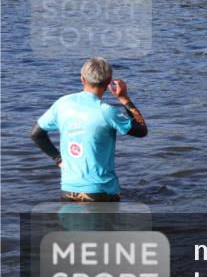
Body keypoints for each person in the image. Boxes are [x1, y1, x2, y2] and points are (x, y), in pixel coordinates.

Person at [31, 57, 149, 202]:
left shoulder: (62, 104)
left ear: (83, 79)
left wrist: (58, 159)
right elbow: (142, 130)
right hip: (100, 192)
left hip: (69, 190)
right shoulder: (106, 112)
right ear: (108, 82)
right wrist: (124, 98)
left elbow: (36, 134)